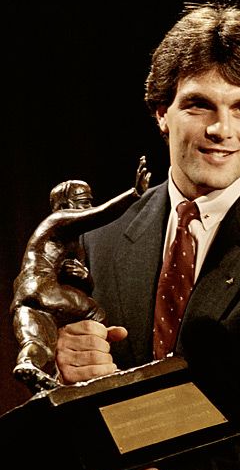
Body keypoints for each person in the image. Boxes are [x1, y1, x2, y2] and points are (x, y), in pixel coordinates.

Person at [54, 0, 240, 470]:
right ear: (162, 112)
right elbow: (103, 411)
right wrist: (75, 377)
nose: (221, 129)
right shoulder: (101, 236)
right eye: (199, 104)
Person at [10, 156, 150, 392]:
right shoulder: (57, 220)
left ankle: (29, 365)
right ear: (64, 206)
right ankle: (98, 364)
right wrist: (133, 194)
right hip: (45, 288)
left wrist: (84, 276)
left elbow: (84, 284)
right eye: (83, 203)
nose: (87, 208)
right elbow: (100, 214)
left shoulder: (72, 244)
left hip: (25, 295)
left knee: (40, 344)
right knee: (95, 312)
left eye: (89, 202)